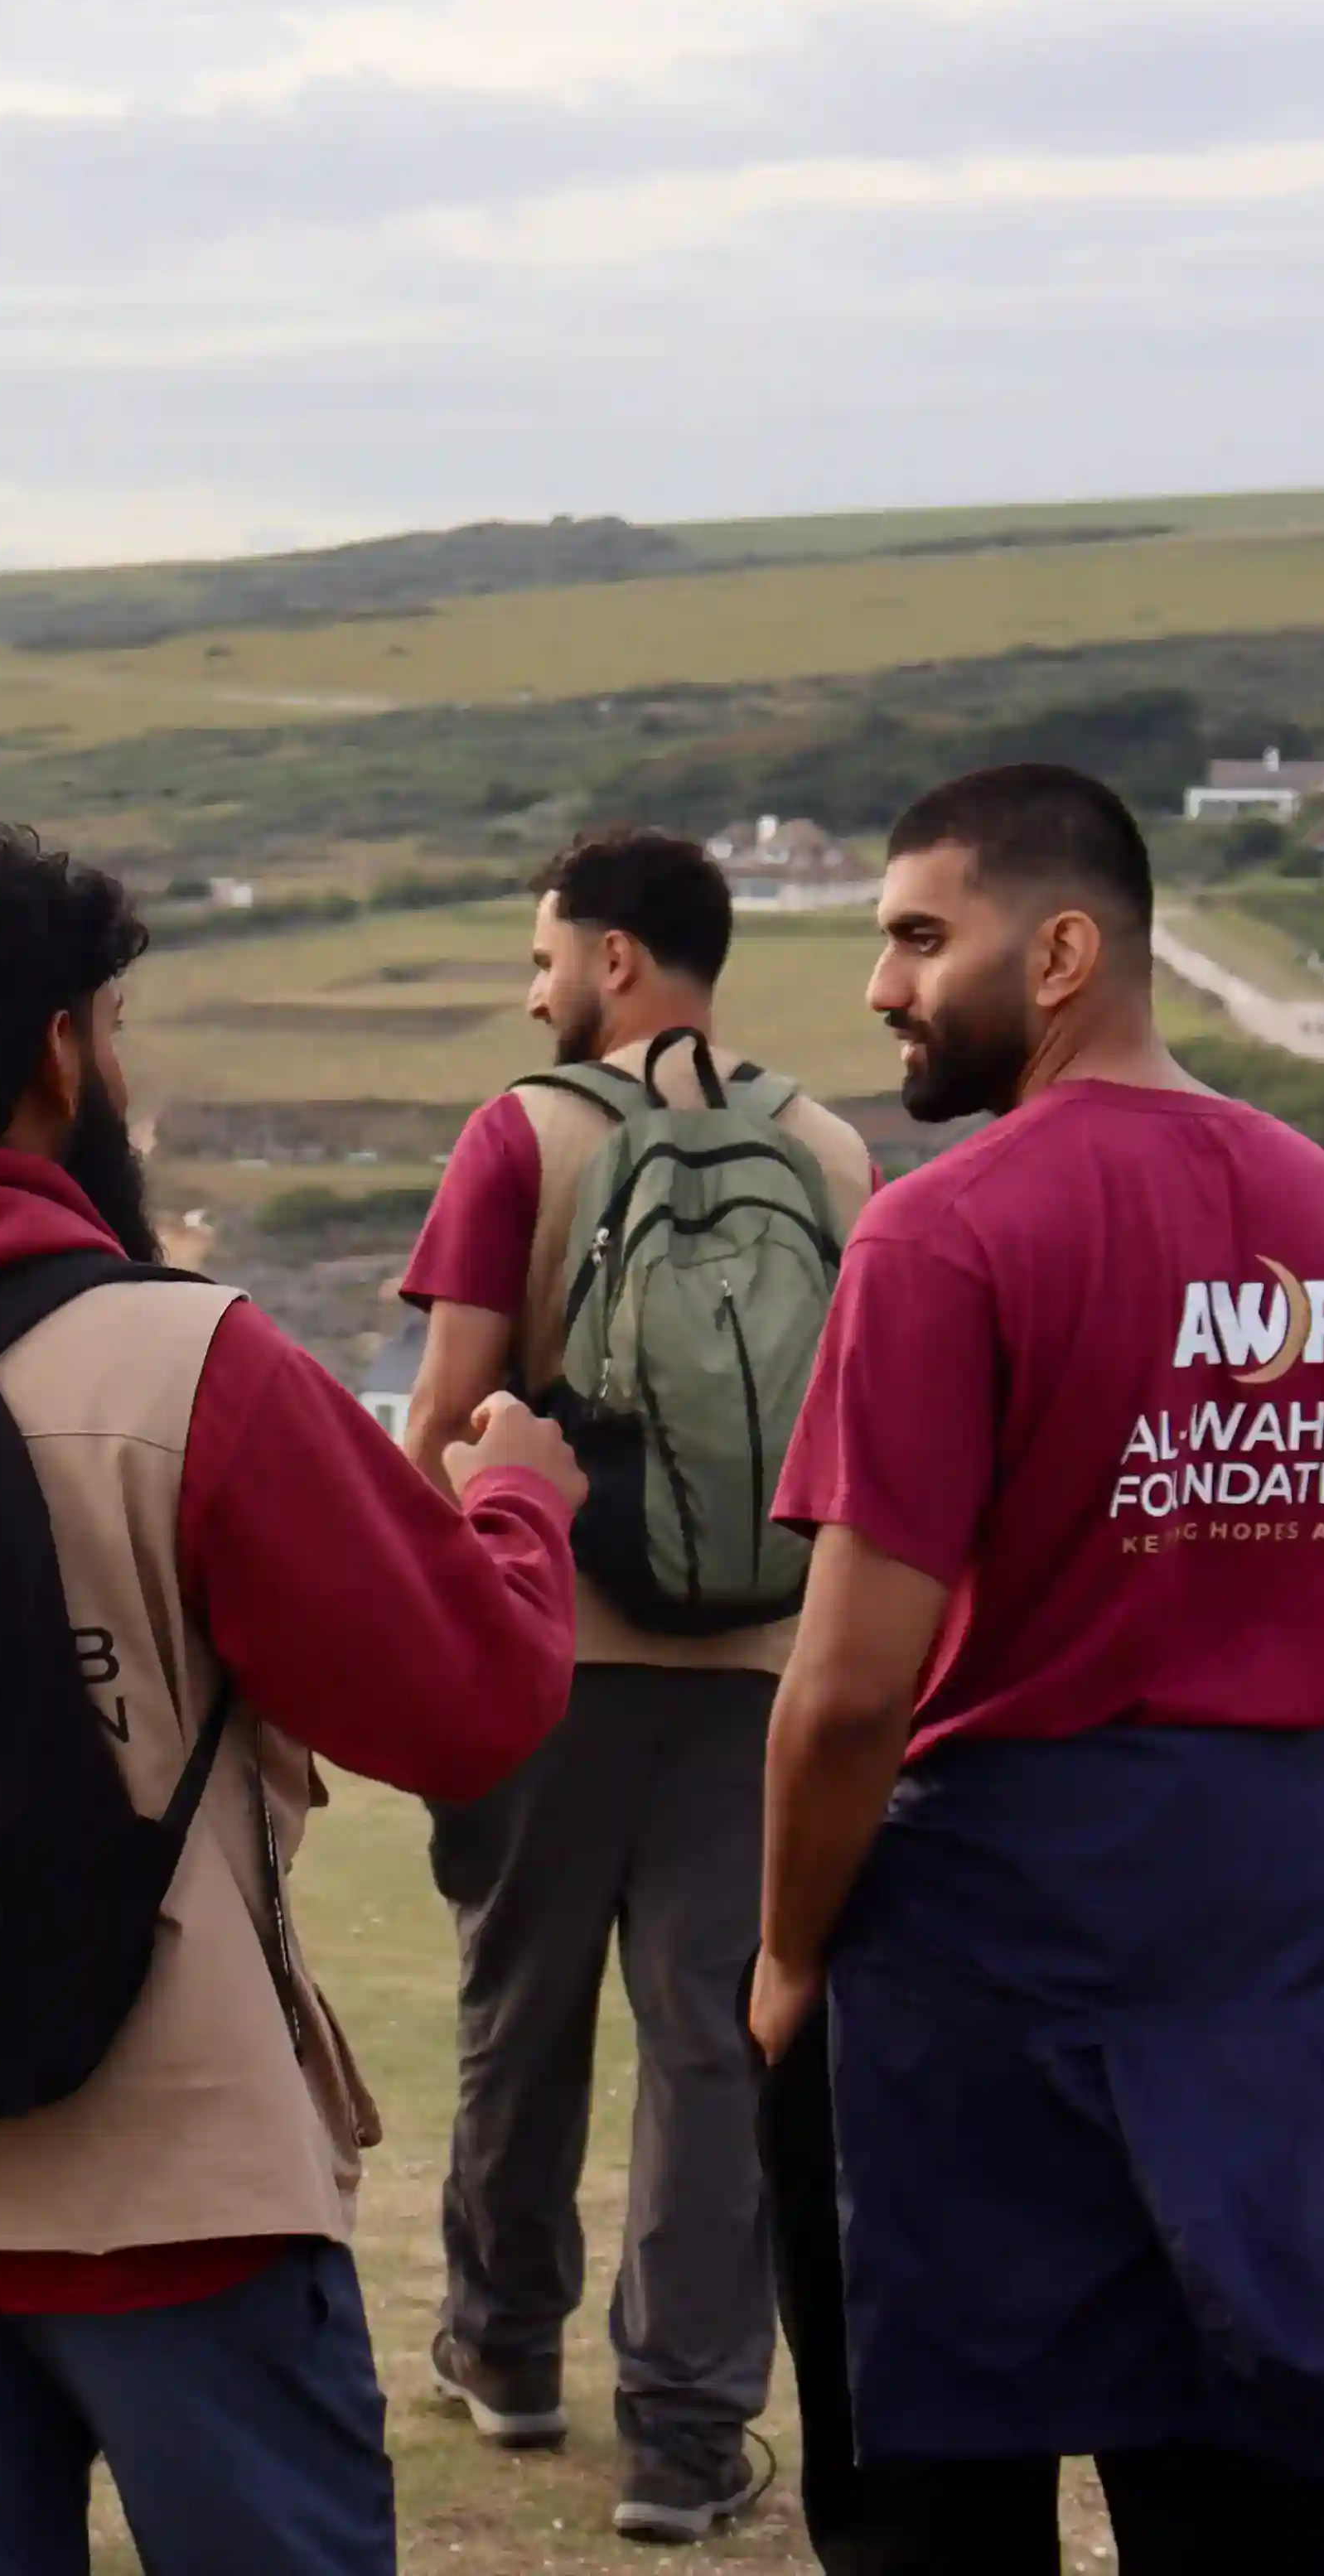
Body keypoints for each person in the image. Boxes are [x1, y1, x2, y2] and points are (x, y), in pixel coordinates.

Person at [0, 822, 587, 2576]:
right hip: (175, 2175)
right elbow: (467, 1705)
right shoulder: (188, 1356)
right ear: (61, 1048)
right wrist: (522, 1504)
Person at [753, 765, 1324, 2574]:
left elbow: (853, 1686)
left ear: (1064, 948)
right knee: (1258, 2505)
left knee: (938, 2498)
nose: (882, 985)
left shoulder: (944, 1229)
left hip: (982, 1952)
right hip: (1286, 1927)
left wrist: (791, 1951)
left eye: (919, 935)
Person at [394, 827, 878, 2544]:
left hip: (551, 1648)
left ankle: (506, 2346)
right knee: (712, 2040)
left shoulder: (520, 1129)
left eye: (545, 957)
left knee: (517, 2013)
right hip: (762, 1666)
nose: (534, 992)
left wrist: (425, 1611)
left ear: (611, 956)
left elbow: (450, 1410)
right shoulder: (829, 1147)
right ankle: (686, 2432)